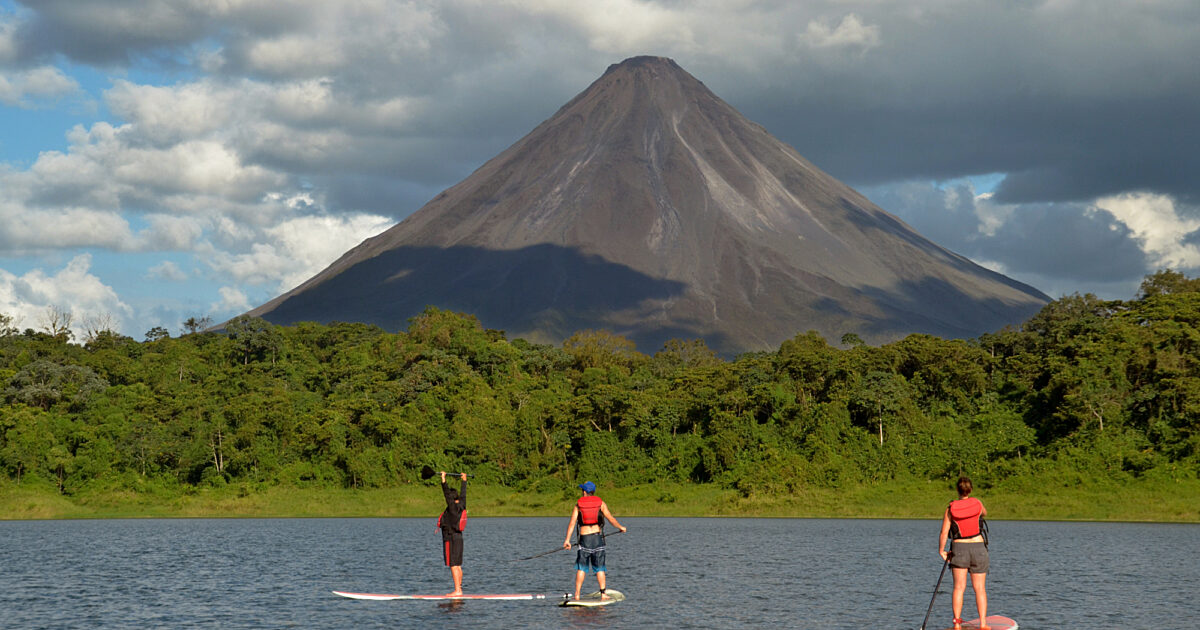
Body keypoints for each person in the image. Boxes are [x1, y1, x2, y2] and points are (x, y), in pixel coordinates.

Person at [938, 476, 989, 629]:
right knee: (979, 588)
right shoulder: (977, 504)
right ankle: (983, 624)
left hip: (959, 549)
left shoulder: (950, 509)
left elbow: (944, 532)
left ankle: (957, 625)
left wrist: (942, 550)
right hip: (979, 548)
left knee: (959, 587)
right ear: (970, 490)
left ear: (957, 490)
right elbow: (984, 513)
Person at [563, 480, 627, 601]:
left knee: (581, 567)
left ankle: (577, 594)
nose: (582, 492)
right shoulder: (601, 503)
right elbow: (611, 519)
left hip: (585, 539)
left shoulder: (578, 505)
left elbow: (572, 524)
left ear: (585, 492)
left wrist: (567, 540)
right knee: (600, 567)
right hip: (597, 539)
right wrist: (621, 528)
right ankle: (603, 594)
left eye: (582, 490)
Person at [439, 471, 468, 596]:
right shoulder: (462, 505)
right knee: (458, 565)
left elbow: (447, 495)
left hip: (451, 538)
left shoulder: (452, 507)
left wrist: (443, 480)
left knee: (453, 565)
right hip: (459, 538)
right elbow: (463, 495)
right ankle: (459, 589)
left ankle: (457, 591)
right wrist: (464, 481)